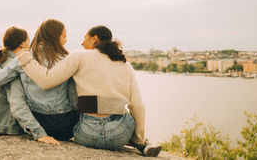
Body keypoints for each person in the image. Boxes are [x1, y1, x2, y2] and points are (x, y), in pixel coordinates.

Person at [16, 25, 161, 156]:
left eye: (84, 37)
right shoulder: (125, 65)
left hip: (86, 134)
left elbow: (46, 81)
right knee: (127, 116)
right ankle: (140, 144)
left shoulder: (79, 56)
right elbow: (138, 106)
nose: (82, 42)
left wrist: (24, 57)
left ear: (94, 38)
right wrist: (138, 138)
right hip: (119, 135)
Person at [0, 19, 78, 141]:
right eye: (64, 36)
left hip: (39, 122)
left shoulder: (24, 58)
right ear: (55, 36)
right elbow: (74, 98)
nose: (66, 40)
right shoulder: (66, 59)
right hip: (66, 126)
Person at [0, 26, 59, 145]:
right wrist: (39, 133)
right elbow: (17, 104)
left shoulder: (0, 59)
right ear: (22, 43)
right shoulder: (13, 67)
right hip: (0, 128)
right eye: (28, 41)